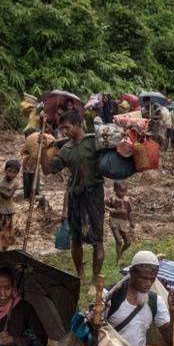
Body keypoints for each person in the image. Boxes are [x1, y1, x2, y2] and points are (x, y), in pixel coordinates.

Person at [45, 110, 106, 283]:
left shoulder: (94, 142)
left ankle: (95, 278)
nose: (64, 131)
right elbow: (48, 170)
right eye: (62, 128)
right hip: (75, 198)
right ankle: (80, 274)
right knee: (76, 238)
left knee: (97, 239)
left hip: (93, 196)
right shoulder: (66, 149)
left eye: (67, 127)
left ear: (78, 125)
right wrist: (43, 150)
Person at [0, 160, 22, 249]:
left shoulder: (15, 183)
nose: (11, 174)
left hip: (7, 211)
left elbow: (8, 195)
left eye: (14, 172)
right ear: (5, 170)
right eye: (9, 171)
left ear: (17, 173)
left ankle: (3, 250)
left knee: (6, 233)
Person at [106, 180, 133, 262]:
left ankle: (121, 252)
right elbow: (104, 205)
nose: (123, 193)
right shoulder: (112, 198)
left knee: (128, 242)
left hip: (123, 223)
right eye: (121, 191)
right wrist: (110, 209)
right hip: (114, 221)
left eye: (125, 191)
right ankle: (119, 259)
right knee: (118, 240)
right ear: (115, 190)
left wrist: (131, 222)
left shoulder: (127, 200)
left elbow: (129, 212)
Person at [20, 130, 52, 201]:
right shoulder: (31, 144)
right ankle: (30, 193)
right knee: (31, 180)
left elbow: (24, 152)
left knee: (32, 180)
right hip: (30, 167)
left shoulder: (34, 144)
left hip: (32, 167)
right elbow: (24, 152)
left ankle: (32, 193)